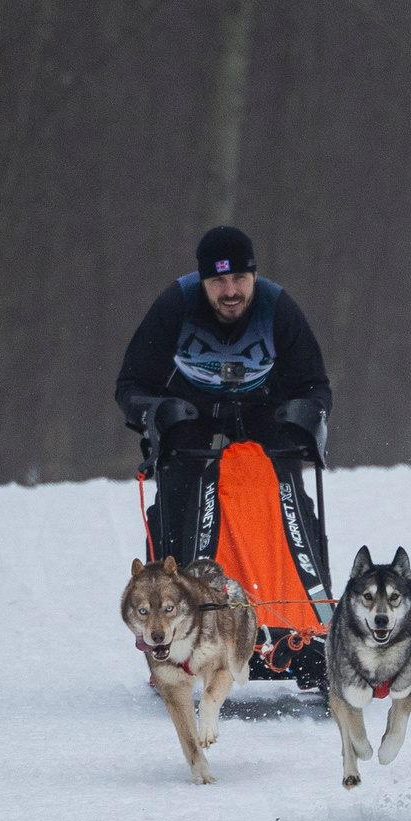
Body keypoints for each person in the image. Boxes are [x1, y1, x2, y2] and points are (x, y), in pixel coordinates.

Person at [116, 224, 333, 572]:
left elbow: (314, 385)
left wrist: (308, 416)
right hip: (191, 405)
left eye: (240, 278)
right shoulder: (175, 304)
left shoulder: (277, 307)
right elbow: (132, 383)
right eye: (218, 282)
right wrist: (155, 413)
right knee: (176, 492)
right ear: (202, 283)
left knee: (288, 491)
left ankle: (306, 598)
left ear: (255, 276)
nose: (230, 291)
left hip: (262, 402)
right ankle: (168, 597)